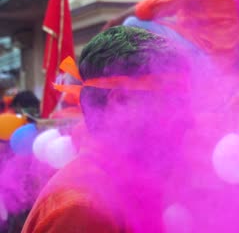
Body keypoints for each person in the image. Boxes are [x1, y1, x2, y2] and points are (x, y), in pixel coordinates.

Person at [21, 26, 193, 233]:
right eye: (174, 101)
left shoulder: (121, 183)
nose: (188, 119)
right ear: (120, 101)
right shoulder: (84, 208)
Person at [103, 0, 239, 72]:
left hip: (211, 59)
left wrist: (117, 20)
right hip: (216, 56)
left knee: (132, 24)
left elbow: (154, 8)